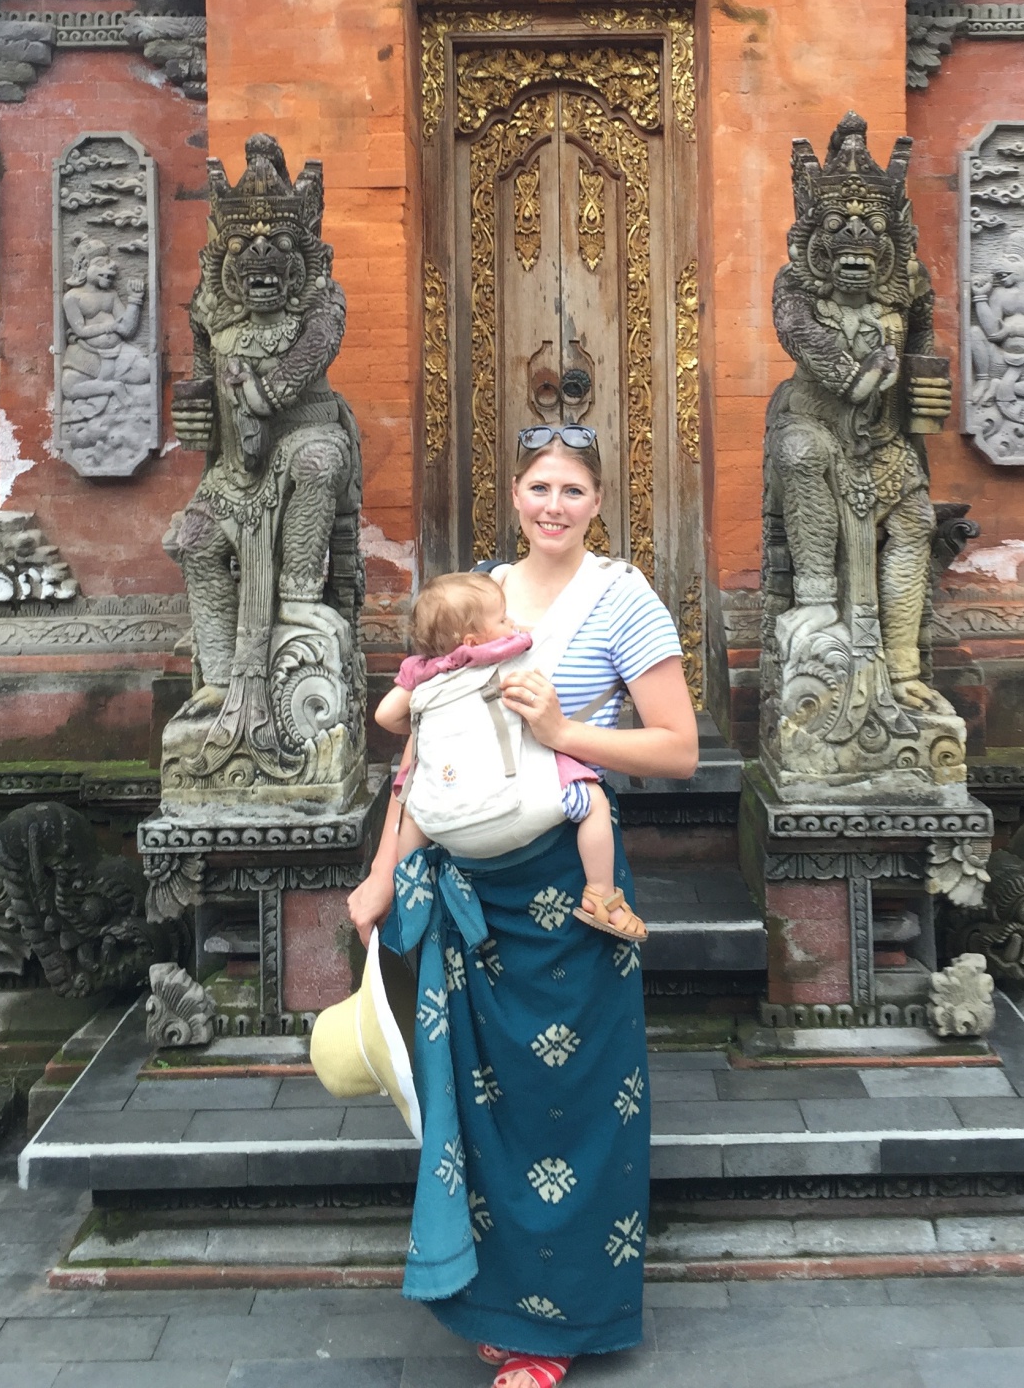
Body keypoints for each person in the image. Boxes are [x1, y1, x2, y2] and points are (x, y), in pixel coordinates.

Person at [347, 424, 699, 1388]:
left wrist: (562, 727)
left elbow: (678, 749)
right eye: (539, 486)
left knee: (570, 1107)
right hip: (474, 894)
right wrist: (383, 871)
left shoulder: (623, 600)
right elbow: (421, 755)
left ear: (598, 503)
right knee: (482, 1107)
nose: (554, 504)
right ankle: (498, 1309)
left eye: (573, 490)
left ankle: (558, 1332)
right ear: (515, 495)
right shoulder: (476, 600)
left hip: (571, 898)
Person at [378, 569, 648, 940]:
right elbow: (527, 643)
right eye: (503, 619)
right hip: (517, 804)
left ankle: (409, 878)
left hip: (445, 820)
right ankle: (600, 894)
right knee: (594, 801)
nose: (512, 623)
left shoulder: (420, 670)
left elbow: (386, 716)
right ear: (473, 639)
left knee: (413, 803)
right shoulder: (499, 653)